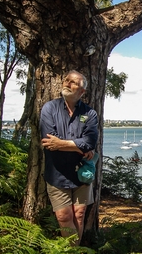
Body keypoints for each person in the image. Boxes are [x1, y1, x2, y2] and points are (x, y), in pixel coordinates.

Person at [40, 70, 99, 245]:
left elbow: (89, 142)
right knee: (64, 216)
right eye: (66, 80)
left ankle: (75, 250)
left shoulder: (89, 113)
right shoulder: (49, 108)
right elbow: (50, 141)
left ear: (81, 92)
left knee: (79, 215)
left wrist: (63, 144)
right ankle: (71, 250)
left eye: (73, 82)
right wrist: (78, 146)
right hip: (57, 173)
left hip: (82, 173)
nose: (67, 83)